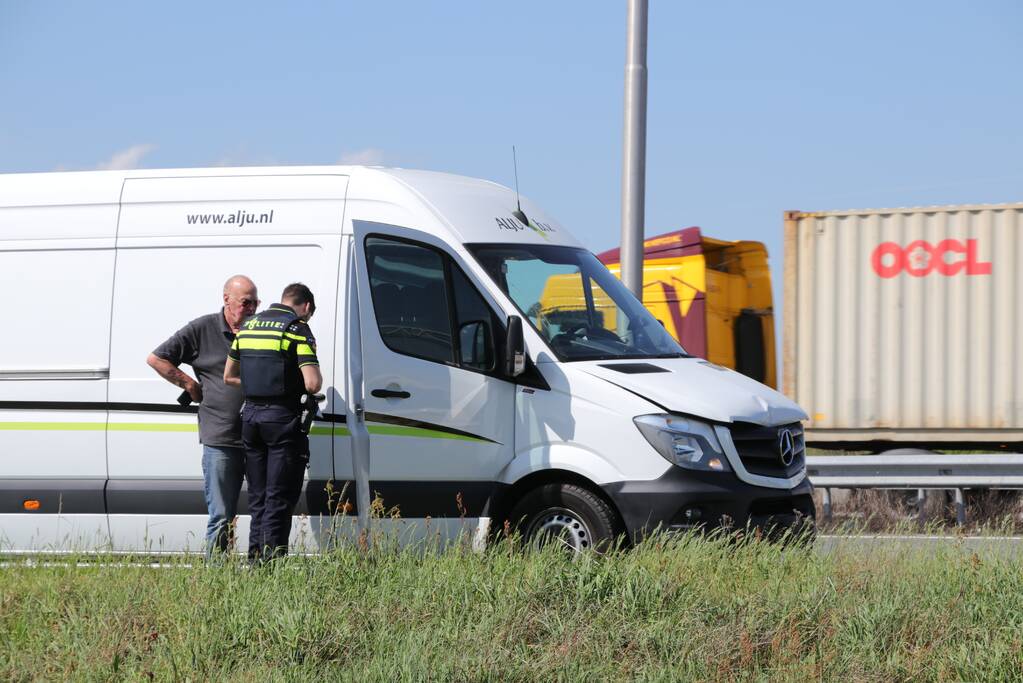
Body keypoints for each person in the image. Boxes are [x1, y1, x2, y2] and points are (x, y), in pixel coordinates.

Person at [147, 275, 259, 560]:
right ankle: (217, 579)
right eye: (245, 303)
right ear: (226, 300)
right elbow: (157, 358)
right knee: (221, 515)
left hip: (258, 435)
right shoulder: (202, 329)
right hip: (220, 436)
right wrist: (189, 384)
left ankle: (260, 570)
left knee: (262, 510)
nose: (250, 310)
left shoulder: (257, 331)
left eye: (254, 304)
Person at [223, 283, 322, 563]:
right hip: (281, 420)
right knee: (279, 497)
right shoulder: (296, 328)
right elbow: (313, 384)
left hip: (250, 418)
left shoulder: (249, 326)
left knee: (258, 497)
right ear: (306, 307)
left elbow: (229, 376)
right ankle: (270, 567)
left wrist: (259, 385)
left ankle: (254, 561)